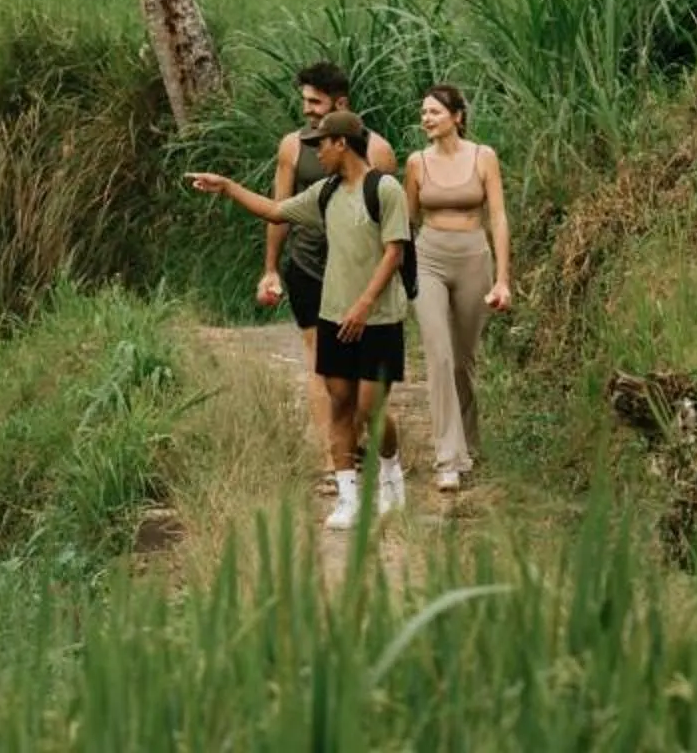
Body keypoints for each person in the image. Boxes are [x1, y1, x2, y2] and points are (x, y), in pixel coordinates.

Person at [191, 109, 410, 530]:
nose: (316, 154)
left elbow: (394, 252)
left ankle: (390, 475)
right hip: (333, 315)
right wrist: (228, 187)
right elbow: (276, 211)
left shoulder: (384, 189)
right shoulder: (325, 192)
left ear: (342, 143)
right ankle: (348, 497)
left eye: (321, 145)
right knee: (340, 402)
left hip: (379, 317)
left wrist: (364, 304)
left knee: (370, 408)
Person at [258, 62, 403, 511]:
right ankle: (334, 463)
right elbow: (279, 209)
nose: (306, 110)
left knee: (361, 390)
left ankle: (365, 449)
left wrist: (380, 291)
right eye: (304, 101)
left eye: (315, 102)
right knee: (321, 367)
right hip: (307, 266)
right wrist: (270, 268)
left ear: (340, 104)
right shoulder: (292, 146)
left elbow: (388, 228)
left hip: (356, 272)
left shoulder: (378, 151)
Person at [404, 84, 511, 491]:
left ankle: (469, 441)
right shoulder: (416, 163)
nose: (426, 119)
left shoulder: (484, 157)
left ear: (457, 117)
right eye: (423, 113)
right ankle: (448, 457)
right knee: (439, 354)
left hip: (473, 257)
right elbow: (407, 221)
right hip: (428, 257)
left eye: (434, 112)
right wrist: (399, 271)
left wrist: (503, 279)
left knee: (464, 359)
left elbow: (497, 218)